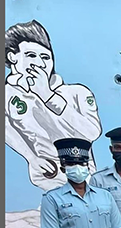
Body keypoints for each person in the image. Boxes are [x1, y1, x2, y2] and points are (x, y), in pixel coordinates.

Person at [5, 20, 102, 191]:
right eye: (31, 56)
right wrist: (31, 158)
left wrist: (48, 96)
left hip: (84, 177)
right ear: (13, 57)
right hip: (45, 179)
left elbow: (93, 131)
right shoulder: (9, 95)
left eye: (45, 57)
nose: (40, 64)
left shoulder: (77, 92)